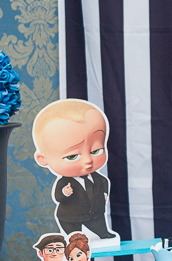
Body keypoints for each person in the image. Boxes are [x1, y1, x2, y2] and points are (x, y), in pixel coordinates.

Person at [33, 99, 117, 239]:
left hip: (95, 213)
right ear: (43, 159)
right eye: (72, 156)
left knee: (99, 225)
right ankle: (73, 237)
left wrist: (104, 193)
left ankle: (104, 233)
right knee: (74, 235)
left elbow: (104, 182)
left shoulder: (98, 178)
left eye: (95, 151)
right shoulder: (64, 183)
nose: (88, 160)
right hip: (70, 217)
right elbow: (58, 197)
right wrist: (64, 193)